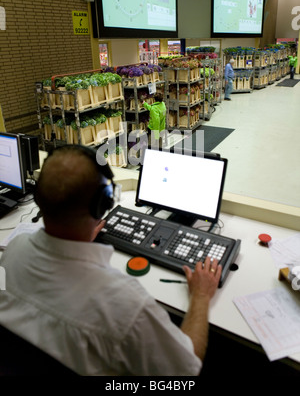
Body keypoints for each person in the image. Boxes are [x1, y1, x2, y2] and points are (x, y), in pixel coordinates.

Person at [0, 145, 222, 376]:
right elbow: (186, 370)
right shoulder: (127, 304)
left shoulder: (14, 249)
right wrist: (201, 296)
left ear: (39, 198)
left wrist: (80, 233)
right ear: (102, 205)